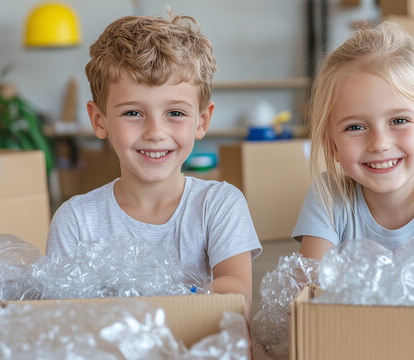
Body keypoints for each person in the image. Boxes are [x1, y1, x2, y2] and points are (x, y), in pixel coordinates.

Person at [46, 12, 262, 315]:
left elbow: (237, 298)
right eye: (133, 113)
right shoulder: (75, 222)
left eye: (175, 113)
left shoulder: (220, 205)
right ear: (99, 120)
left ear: (202, 121)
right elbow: (63, 317)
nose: (156, 133)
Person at [293, 21, 414, 260]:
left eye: (398, 121)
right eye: (355, 127)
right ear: (333, 145)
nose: (379, 143)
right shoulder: (329, 197)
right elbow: (310, 286)